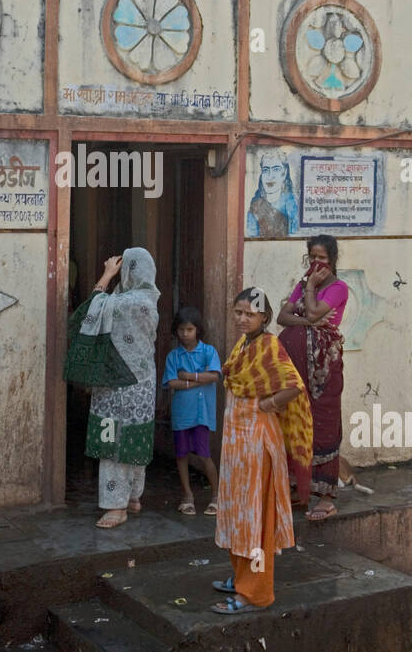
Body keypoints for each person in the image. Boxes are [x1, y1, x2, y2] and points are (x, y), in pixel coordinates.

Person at [212, 287, 312, 613]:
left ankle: (254, 593)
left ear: (264, 317)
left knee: (256, 521)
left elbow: (293, 385)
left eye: (249, 313)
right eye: (238, 312)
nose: (242, 318)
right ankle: (241, 577)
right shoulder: (245, 344)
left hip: (257, 445)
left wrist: (267, 403)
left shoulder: (269, 345)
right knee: (238, 515)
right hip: (237, 447)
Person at [84, 248, 159, 529]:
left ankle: (116, 507)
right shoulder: (149, 298)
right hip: (142, 384)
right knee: (135, 438)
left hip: (119, 384)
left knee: (113, 443)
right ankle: (133, 498)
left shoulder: (125, 302)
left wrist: (106, 274)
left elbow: (89, 312)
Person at [276, 235, 349, 521]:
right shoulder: (301, 283)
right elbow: (282, 316)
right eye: (313, 257)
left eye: (322, 258)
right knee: (295, 420)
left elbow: (317, 310)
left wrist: (309, 290)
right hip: (295, 370)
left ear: (332, 260)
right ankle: (298, 489)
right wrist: (306, 321)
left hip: (323, 372)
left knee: (323, 425)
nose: (317, 263)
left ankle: (327, 497)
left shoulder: (338, 288)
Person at [161, 306, 221, 516]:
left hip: (202, 413)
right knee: (181, 455)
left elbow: (214, 376)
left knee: (204, 455)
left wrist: (187, 376)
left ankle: (216, 496)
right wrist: (197, 379)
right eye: (181, 330)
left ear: (198, 330)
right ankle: (187, 496)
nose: (185, 334)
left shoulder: (208, 351)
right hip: (181, 413)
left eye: (189, 329)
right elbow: (170, 382)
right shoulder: (173, 356)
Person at [245, 151, 299, 238]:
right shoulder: (255, 205)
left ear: (284, 173)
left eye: (276, 169)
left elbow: (295, 234)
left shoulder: (291, 202)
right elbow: (251, 235)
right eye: (266, 170)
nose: (270, 176)